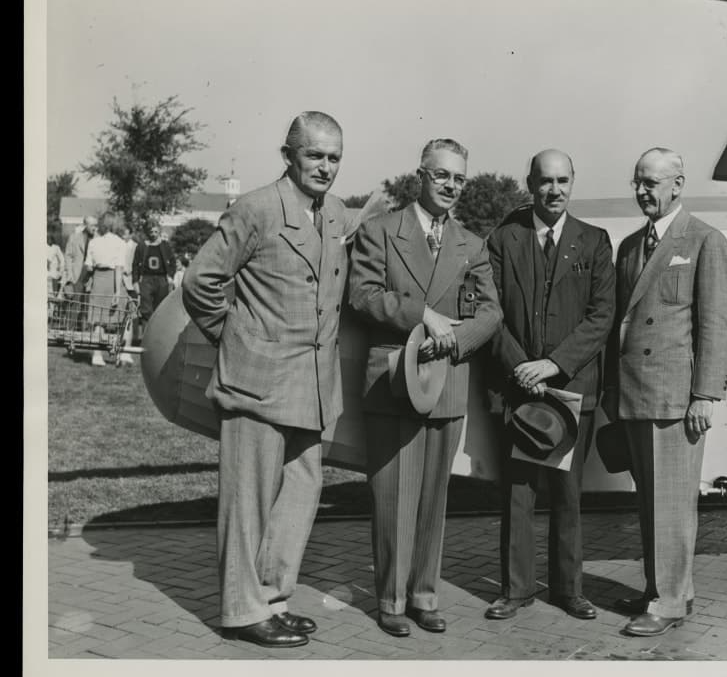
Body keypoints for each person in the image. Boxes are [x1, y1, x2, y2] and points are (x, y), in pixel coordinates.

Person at [182, 111, 392, 648]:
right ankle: (240, 610)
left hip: (313, 387)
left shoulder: (335, 213)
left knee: (299, 496)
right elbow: (201, 281)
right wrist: (237, 339)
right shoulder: (255, 208)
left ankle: (271, 600)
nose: (325, 167)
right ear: (288, 155)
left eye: (335, 157)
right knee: (247, 502)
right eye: (315, 155)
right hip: (257, 383)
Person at [349, 138, 502, 637]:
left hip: (446, 383)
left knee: (434, 501)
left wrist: (455, 341)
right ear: (421, 175)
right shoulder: (379, 231)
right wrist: (424, 317)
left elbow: (491, 312)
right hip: (393, 379)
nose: (452, 187)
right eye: (442, 176)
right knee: (393, 498)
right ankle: (390, 600)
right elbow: (363, 295)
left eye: (460, 178)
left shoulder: (471, 244)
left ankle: (423, 595)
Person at [602, 147, 727, 637]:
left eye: (652, 183)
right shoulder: (631, 245)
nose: (642, 191)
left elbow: (718, 326)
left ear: (678, 185)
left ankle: (668, 602)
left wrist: (705, 395)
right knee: (650, 503)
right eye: (638, 182)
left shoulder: (704, 240)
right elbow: (622, 325)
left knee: (673, 504)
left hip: (677, 399)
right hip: (637, 394)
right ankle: (667, 588)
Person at [484, 150, 615, 622]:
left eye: (562, 181)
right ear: (529, 184)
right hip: (518, 388)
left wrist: (553, 366)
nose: (553, 190)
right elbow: (490, 313)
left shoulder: (596, 242)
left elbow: (601, 317)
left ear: (573, 183)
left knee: (568, 495)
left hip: (571, 390)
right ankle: (515, 590)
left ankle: (569, 589)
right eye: (544, 181)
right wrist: (524, 367)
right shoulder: (503, 239)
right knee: (518, 496)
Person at [84, 212, 133, 367]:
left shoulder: (94, 242)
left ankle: (97, 356)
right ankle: (123, 353)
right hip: (114, 280)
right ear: (115, 224)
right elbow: (119, 267)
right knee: (123, 318)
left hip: (98, 279)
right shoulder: (120, 243)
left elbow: (88, 265)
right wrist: (118, 291)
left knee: (98, 319)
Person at [132, 221, 176, 328]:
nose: (153, 234)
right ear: (147, 232)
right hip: (146, 279)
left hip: (161, 279)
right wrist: (135, 281)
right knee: (146, 308)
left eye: (156, 231)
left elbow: (173, 262)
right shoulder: (142, 246)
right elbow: (135, 265)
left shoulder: (165, 245)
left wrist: (170, 276)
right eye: (151, 231)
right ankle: (146, 333)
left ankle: (158, 333)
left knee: (160, 307)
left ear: (159, 231)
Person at [47, 232, 65, 296]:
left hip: (54, 271)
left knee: (54, 291)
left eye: (51, 239)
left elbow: (62, 259)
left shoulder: (56, 247)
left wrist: (61, 268)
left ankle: (55, 295)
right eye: (48, 239)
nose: (49, 240)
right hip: (46, 271)